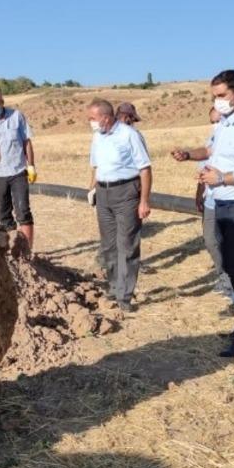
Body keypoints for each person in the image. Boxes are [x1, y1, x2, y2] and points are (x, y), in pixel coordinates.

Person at [172, 70, 234, 357]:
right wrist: (189, 156)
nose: (217, 102)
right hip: (225, 204)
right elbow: (211, 151)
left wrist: (222, 179)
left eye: (221, 96)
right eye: (214, 97)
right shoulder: (225, 125)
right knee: (233, 267)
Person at [87, 99, 152, 312]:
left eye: (93, 119)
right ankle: (113, 288)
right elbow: (95, 166)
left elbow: (144, 169)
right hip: (104, 193)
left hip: (126, 192)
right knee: (108, 245)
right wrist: (92, 188)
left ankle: (124, 296)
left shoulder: (129, 135)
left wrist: (144, 200)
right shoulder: (97, 137)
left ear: (106, 117)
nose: (91, 123)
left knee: (127, 245)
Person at [0, 89, 36, 250]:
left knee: (23, 212)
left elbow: (27, 142)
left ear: (2, 103)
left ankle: (27, 251)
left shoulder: (16, 117)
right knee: (3, 215)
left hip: (18, 172)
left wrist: (31, 166)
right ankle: (12, 249)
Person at [194, 109, 234, 308]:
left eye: (218, 121)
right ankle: (224, 274)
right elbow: (203, 171)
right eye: (212, 122)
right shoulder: (210, 142)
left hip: (231, 200)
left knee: (230, 243)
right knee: (211, 240)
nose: (215, 125)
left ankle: (231, 282)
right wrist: (199, 193)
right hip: (211, 200)